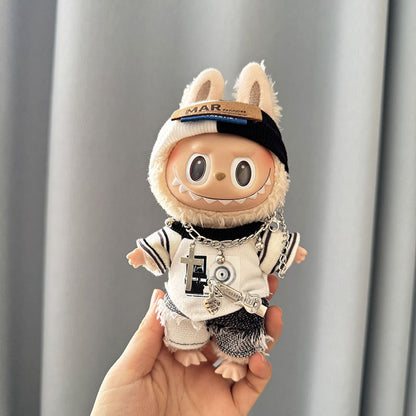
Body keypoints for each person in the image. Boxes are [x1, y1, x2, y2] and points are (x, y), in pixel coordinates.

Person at [91, 274, 283, 416]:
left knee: (244, 322)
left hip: (239, 295)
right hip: (192, 292)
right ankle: (186, 348)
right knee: (182, 315)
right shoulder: (185, 236)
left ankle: (236, 360)